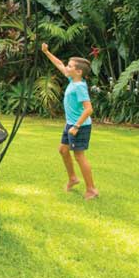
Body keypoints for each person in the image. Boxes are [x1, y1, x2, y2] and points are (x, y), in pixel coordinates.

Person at [41, 43, 98, 200]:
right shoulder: (73, 80)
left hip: (79, 126)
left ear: (78, 71)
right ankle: (73, 178)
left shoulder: (79, 86)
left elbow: (89, 109)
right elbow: (59, 64)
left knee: (79, 156)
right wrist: (47, 52)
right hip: (70, 124)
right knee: (63, 150)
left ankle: (91, 189)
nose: (67, 67)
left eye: (70, 66)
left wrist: (77, 126)